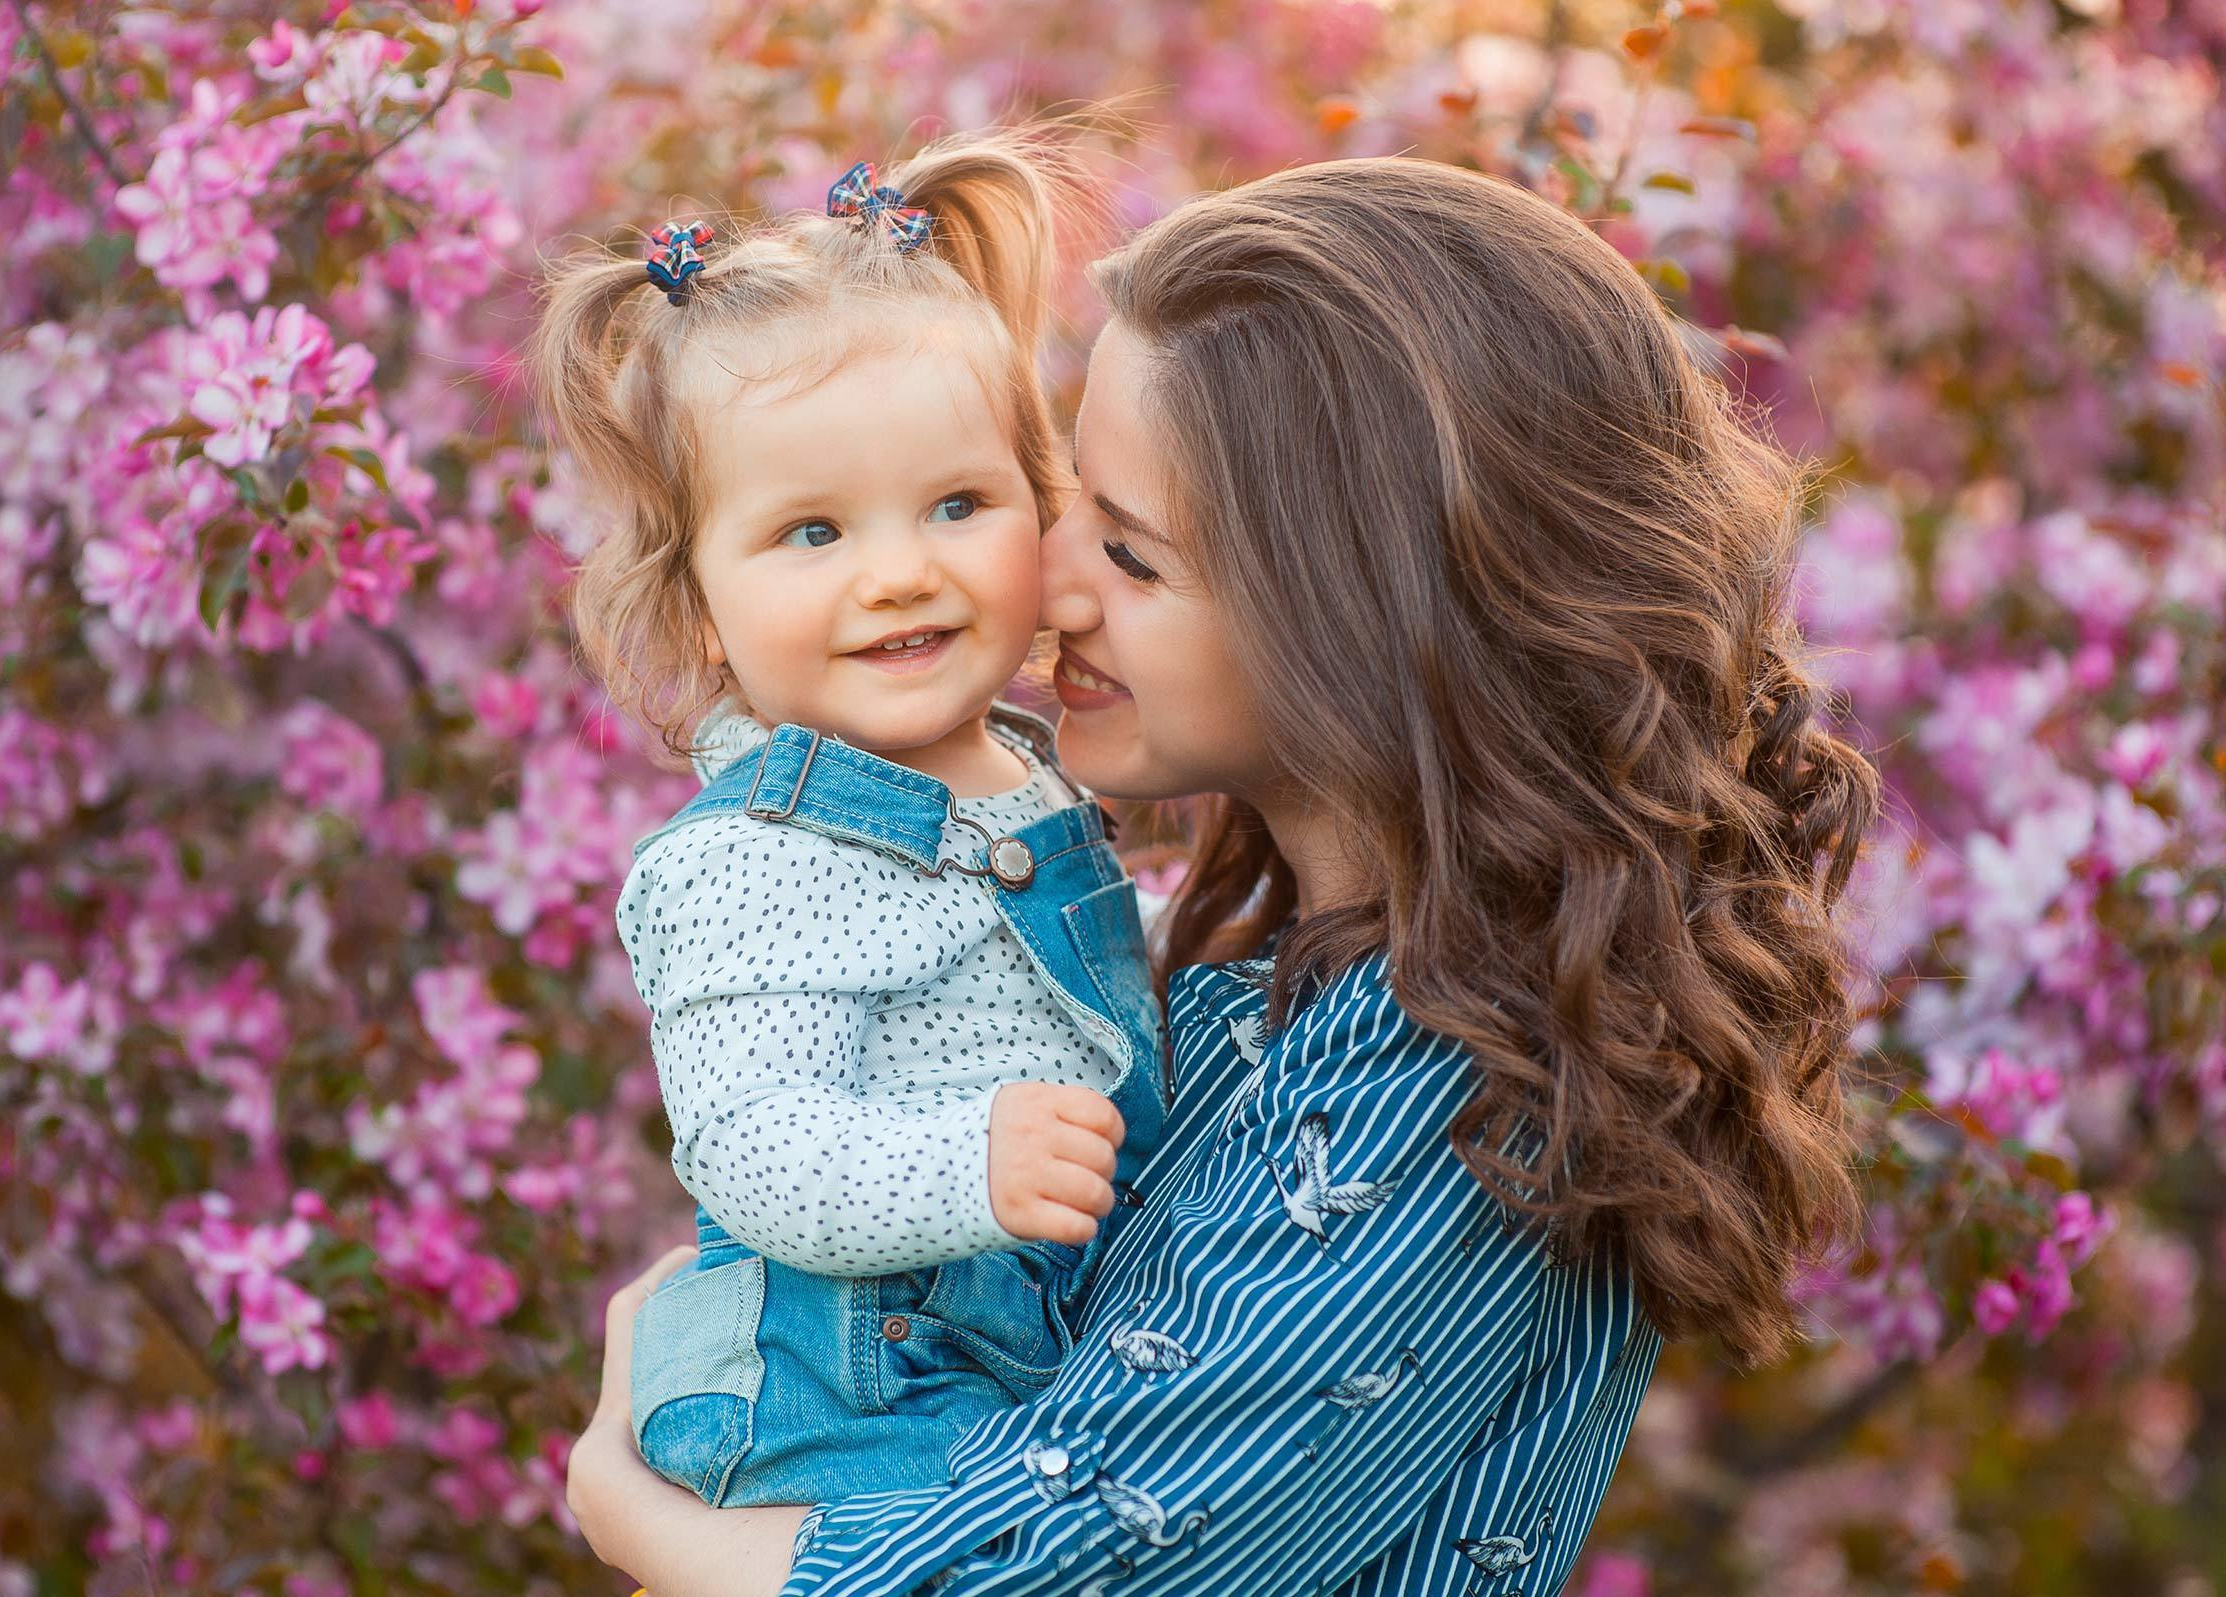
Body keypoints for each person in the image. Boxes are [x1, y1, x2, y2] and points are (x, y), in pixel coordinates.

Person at [566, 154, 1883, 1595]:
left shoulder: (1437, 1092)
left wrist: (638, 1517)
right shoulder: (1283, 993)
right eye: (1061, 499)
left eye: (1127, 552)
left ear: (1356, 614)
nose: (1043, 581)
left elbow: (1070, 1565)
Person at [526, 132, 1173, 1511]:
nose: (897, 572)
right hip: (849, 1391)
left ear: (1039, 509)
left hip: (1004, 1359)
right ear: (698, 602)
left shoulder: (1014, 767)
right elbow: (748, 1143)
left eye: (956, 503)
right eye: (813, 532)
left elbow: (1036, 972)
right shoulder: (749, 860)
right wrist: (965, 1161)